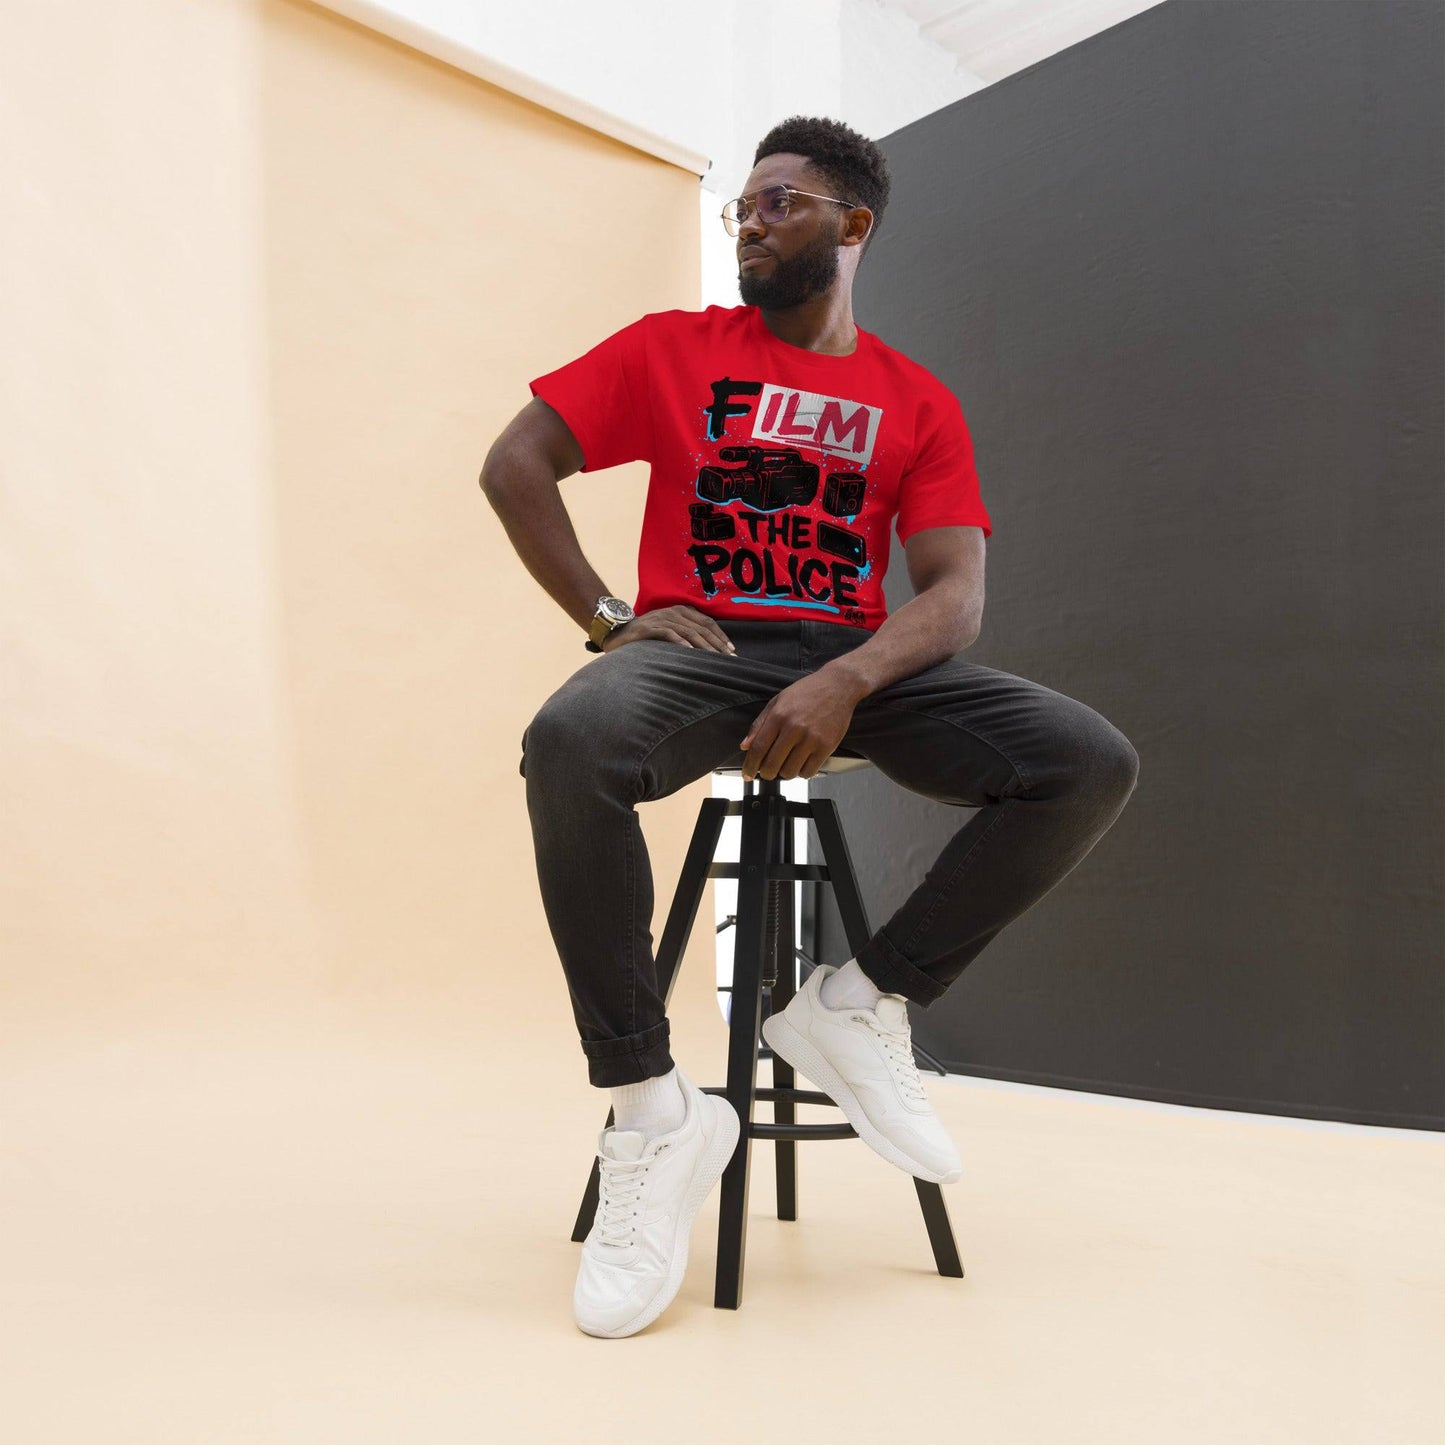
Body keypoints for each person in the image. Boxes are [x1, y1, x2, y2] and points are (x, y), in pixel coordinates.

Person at [480, 115, 1139, 1338]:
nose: (749, 221)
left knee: (1083, 760)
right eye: (740, 205)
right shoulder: (673, 350)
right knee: (569, 743)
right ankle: (651, 1111)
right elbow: (514, 461)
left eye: (777, 203)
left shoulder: (913, 400)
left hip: (853, 661)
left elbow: (953, 595)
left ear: (851, 223)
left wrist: (846, 679)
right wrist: (614, 616)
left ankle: (855, 1001)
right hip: (704, 654)